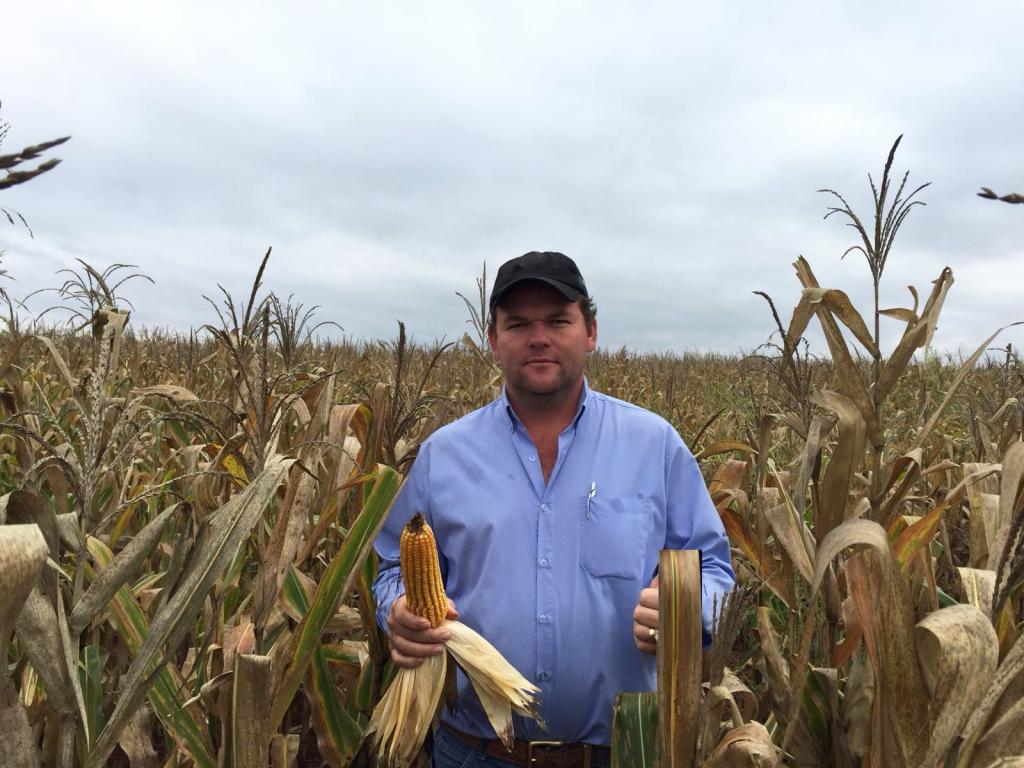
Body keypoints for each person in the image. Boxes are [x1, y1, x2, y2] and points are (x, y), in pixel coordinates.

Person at [372, 251, 734, 768]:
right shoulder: (444, 456)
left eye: (558, 320)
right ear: (493, 340)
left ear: (590, 331)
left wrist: (686, 610)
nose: (538, 337)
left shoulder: (654, 445)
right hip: (474, 751)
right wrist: (400, 611)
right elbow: (391, 568)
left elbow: (715, 569)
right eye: (518, 324)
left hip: (621, 750)